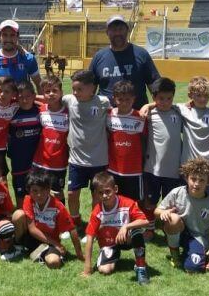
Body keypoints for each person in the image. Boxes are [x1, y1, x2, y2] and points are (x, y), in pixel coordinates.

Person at [155, 158, 209, 273]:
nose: (196, 184)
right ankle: (175, 255)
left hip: (198, 238)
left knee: (193, 269)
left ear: (208, 182)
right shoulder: (177, 192)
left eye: (202, 180)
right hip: (179, 230)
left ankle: (195, 252)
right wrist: (163, 212)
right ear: (186, 178)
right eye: (193, 179)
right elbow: (157, 211)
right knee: (173, 219)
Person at [81, 171, 151, 285]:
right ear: (96, 194)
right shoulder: (97, 212)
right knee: (105, 270)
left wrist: (126, 226)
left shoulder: (128, 203)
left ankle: (141, 266)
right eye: (100, 193)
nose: (104, 195)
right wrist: (87, 267)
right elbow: (90, 238)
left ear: (115, 189)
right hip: (109, 243)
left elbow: (145, 221)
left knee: (136, 230)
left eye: (107, 191)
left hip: (126, 238)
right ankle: (115, 255)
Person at [64, 70, 111, 231]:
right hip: (76, 160)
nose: (75, 93)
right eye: (73, 89)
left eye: (79, 89)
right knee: (71, 194)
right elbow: (50, 100)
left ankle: (94, 223)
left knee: (97, 195)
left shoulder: (103, 102)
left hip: (98, 160)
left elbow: (123, 108)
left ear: (92, 88)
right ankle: (75, 222)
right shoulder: (69, 100)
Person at [12, 170, 83, 269]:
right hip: (31, 237)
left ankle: (38, 252)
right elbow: (32, 230)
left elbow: (72, 229)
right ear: (29, 190)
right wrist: (56, 244)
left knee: (54, 262)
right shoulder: (28, 199)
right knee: (18, 214)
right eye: (35, 191)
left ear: (49, 189)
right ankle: (18, 246)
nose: (39, 195)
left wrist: (79, 254)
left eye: (43, 190)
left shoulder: (58, 207)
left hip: (49, 241)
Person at [89, 15, 160, 110]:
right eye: (113, 30)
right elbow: (89, 89)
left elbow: (155, 86)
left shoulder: (141, 54)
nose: (118, 33)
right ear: (107, 32)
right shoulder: (99, 56)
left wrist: (154, 106)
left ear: (127, 30)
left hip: (137, 116)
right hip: (106, 116)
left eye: (121, 29)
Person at [142, 77, 183, 223]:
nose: (165, 102)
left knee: (171, 201)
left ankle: (168, 226)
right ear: (154, 97)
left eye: (169, 98)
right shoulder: (148, 114)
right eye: (161, 98)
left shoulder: (178, 112)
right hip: (152, 168)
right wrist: (148, 105)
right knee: (150, 201)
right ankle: (149, 226)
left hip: (173, 170)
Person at [31, 74, 70, 202]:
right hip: (40, 161)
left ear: (61, 92)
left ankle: (61, 220)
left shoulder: (69, 112)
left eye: (55, 90)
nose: (51, 94)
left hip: (59, 163)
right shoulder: (41, 110)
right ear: (43, 94)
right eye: (47, 91)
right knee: (38, 191)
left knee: (57, 194)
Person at [106, 80, 146, 203]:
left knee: (134, 202)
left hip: (133, 169)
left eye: (127, 99)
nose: (124, 103)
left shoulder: (140, 117)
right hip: (113, 168)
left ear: (133, 99)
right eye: (120, 99)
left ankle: (136, 221)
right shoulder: (108, 115)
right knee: (114, 199)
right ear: (114, 98)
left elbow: (145, 141)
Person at [0, 20, 41, 96]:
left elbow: (39, 85)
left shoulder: (28, 59)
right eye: (5, 35)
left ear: (18, 36)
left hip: (21, 105)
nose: (8, 39)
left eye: (12, 35)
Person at [7, 81, 42, 207]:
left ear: (34, 96)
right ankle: (22, 214)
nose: (25, 100)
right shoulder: (12, 113)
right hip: (18, 159)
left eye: (28, 96)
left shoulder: (40, 112)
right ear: (16, 98)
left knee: (37, 187)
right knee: (20, 189)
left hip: (36, 159)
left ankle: (38, 215)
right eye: (21, 97)